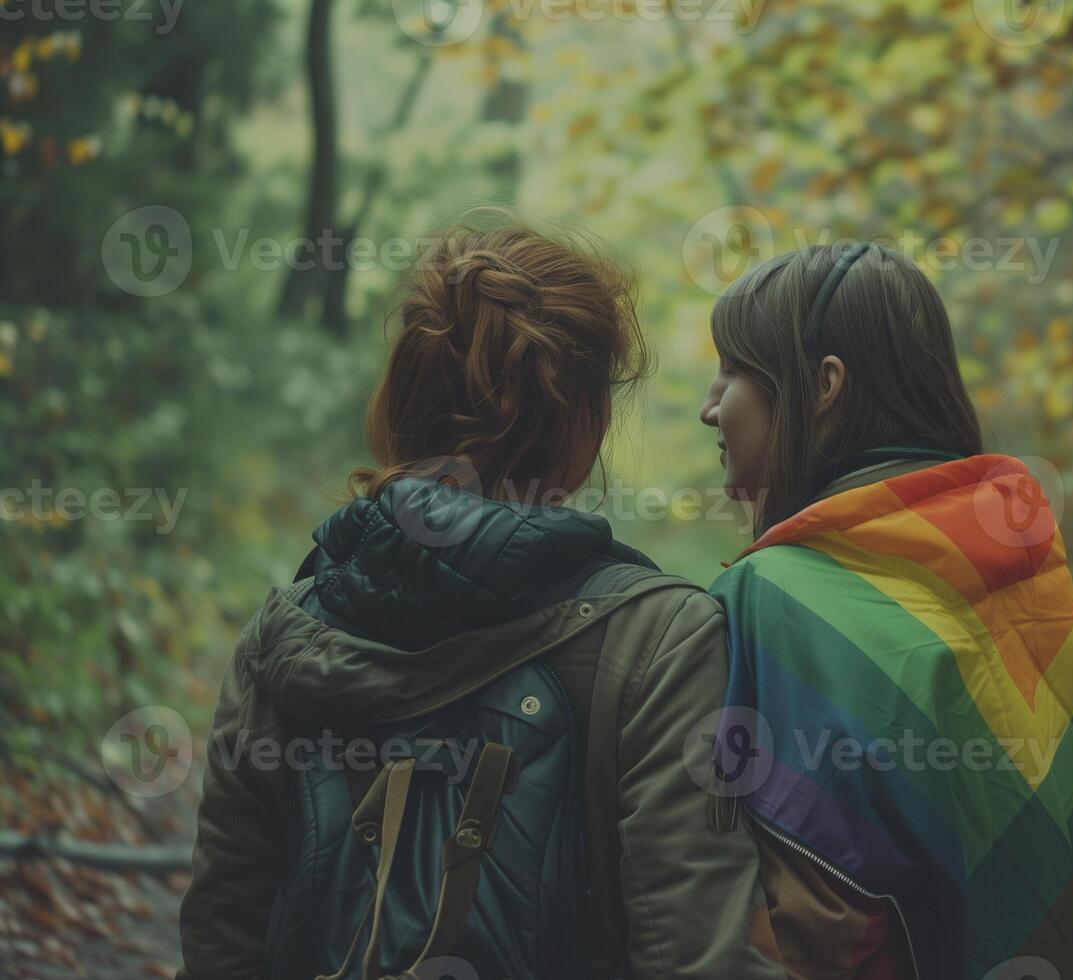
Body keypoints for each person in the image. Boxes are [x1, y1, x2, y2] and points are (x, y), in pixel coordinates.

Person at [177, 211, 786, 980]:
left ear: (399, 402)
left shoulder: (285, 638)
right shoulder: (662, 641)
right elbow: (699, 956)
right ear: (585, 421)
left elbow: (221, 940)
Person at [699, 241, 1073, 980]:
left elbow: (816, 926)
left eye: (733, 370)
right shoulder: (1062, 612)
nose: (710, 406)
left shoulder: (770, 603)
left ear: (822, 386)